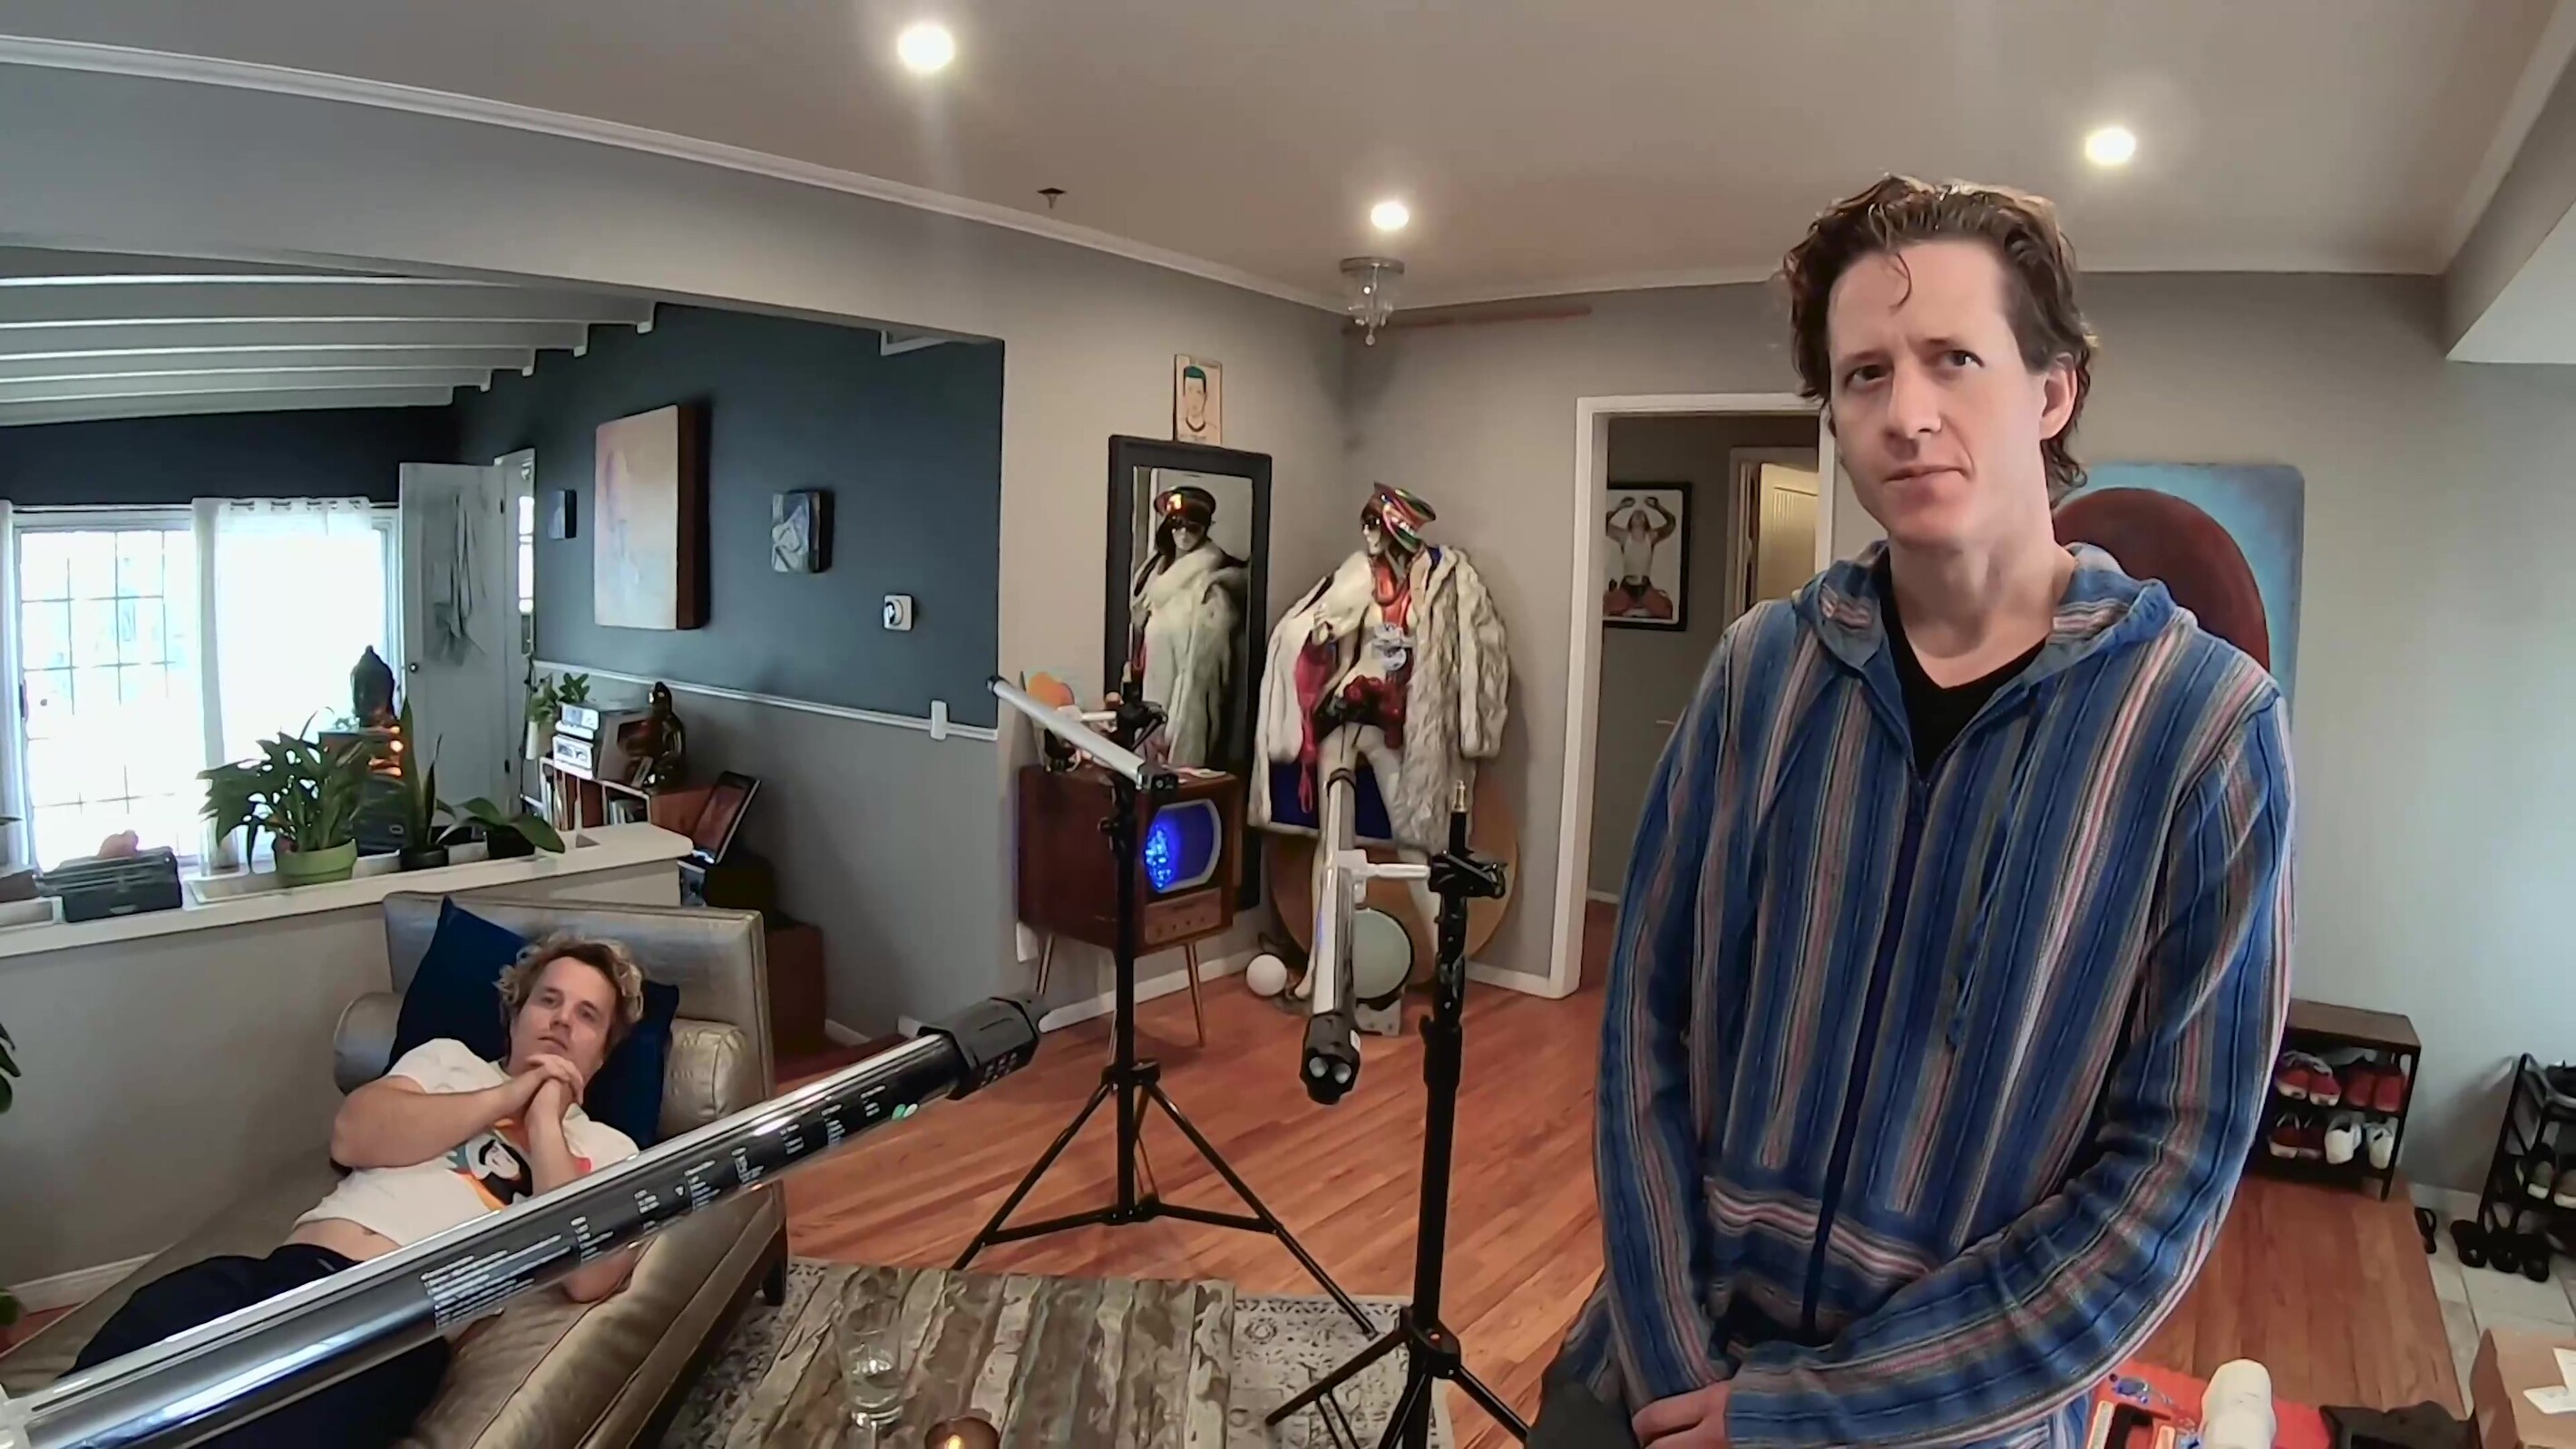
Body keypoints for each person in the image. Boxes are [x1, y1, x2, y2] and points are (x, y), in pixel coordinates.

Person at [1539, 176, 2294, 1449]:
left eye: (1953, 358)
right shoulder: (1757, 673)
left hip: (1949, 1424)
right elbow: (1644, 1031)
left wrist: (1803, 1418)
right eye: (1864, 375)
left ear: (2051, 391)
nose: (1906, 412)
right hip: (1656, 1378)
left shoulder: (2203, 731)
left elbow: (2166, 1178)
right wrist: (1674, 1371)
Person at [72, 936, 653, 1448]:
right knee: (100, 1393)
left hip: (395, 1328)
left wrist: (547, 1122)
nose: (561, 1021)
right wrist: (508, 1097)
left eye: (587, 1016)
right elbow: (354, 1136)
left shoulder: (607, 1148)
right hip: (282, 1277)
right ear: (516, 1015)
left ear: (602, 1052)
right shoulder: (449, 1063)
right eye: (548, 1001)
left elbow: (590, 1277)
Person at [1128, 483, 1248, 767]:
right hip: (1146, 695)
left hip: (1175, 712)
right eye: (1177, 526)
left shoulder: (1207, 590)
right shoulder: (1155, 572)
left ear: (1205, 529)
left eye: (1192, 528)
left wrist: (1175, 732)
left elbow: (1196, 674)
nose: (1183, 534)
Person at [1604, 495, 1680, 620]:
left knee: (1665, 610)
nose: (1638, 515)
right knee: (1607, 606)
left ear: (1646, 522)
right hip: (1627, 586)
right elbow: (1603, 524)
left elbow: (1671, 525)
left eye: (1641, 515)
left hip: (1644, 586)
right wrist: (1620, 507)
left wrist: (1658, 507)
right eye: (1635, 515)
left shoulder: (1651, 537)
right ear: (1630, 521)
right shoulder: (1624, 536)